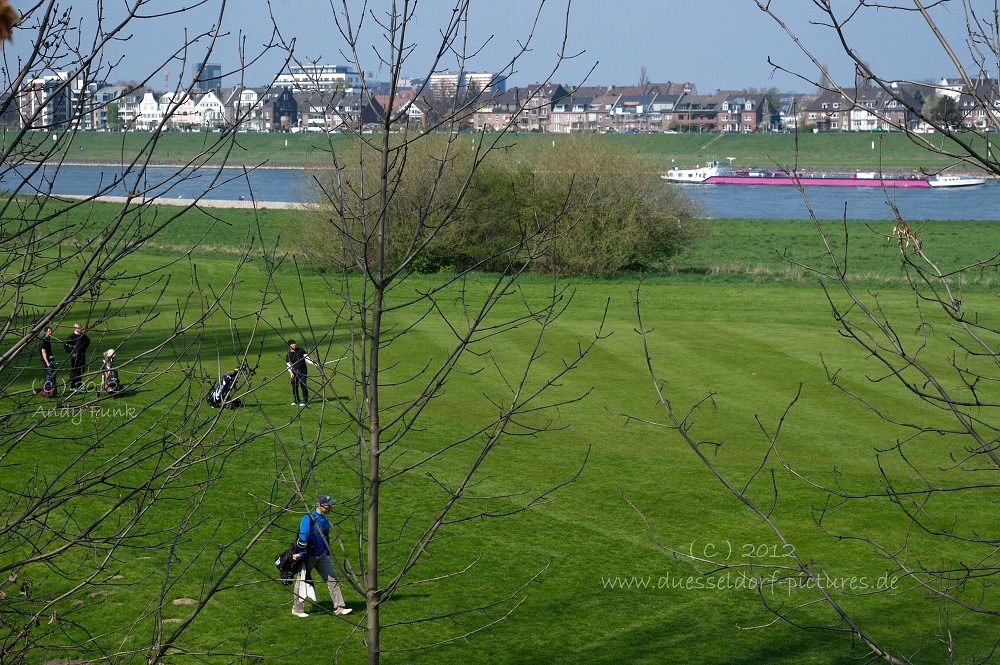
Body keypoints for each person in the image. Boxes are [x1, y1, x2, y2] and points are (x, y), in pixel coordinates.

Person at [291, 495, 352, 618]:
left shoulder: (324, 520)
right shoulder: (308, 518)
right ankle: (297, 609)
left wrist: (328, 552)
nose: (331, 506)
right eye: (329, 504)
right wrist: (301, 554)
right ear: (322, 505)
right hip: (308, 556)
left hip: (322, 556)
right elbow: (303, 537)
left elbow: (326, 538)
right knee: (302, 581)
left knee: (332, 579)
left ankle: (339, 607)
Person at [285, 340, 316, 407]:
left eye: (294, 343)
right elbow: (288, 365)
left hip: (303, 371)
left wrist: (312, 362)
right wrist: (291, 372)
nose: (294, 345)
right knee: (294, 384)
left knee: (303, 384)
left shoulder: (301, 350)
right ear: (290, 346)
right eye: (292, 344)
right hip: (295, 372)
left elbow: (307, 358)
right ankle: (297, 400)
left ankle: (305, 400)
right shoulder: (288, 355)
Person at [63, 323, 91, 391]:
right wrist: (71, 353)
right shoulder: (71, 337)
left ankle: (79, 385)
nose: (80, 329)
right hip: (75, 358)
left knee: (81, 370)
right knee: (75, 371)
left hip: (82, 356)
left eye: (80, 327)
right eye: (79, 328)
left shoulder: (83, 336)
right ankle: (72, 386)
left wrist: (84, 347)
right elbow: (65, 345)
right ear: (75, 328)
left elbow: (88, 341)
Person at [39, 327, 56, 397]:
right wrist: (47, 363)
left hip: (49, 359)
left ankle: (53, 392)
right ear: (45, 332)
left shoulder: (48, 339)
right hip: (45, 360)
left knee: (53, 374)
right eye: (49, 331)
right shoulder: (43, 341)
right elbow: (43, 353)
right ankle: (47, 394)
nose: (51, 332)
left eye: (51, 331)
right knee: (49, 375)